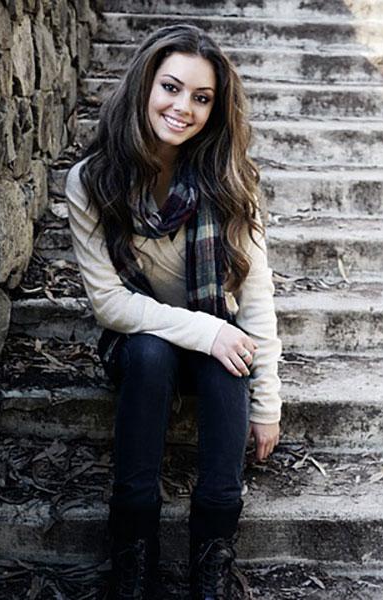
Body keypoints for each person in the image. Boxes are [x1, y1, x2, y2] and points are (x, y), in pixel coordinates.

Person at [64, 23, 282, 600]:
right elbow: (110, 303)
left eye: (202, 98)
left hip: (216, 355)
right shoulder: (92, 182)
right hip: (141, 353)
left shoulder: (232, 183)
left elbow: (255, 298)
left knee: (225, 357)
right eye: (171, 87)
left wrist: (267, 404)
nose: (183, 108)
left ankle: (212, 560)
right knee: (152, 348)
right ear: (144, 86)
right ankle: (133, 558)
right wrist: (207, 328)